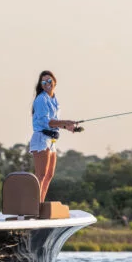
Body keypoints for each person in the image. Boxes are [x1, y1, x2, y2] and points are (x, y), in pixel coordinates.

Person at [29, 70, 80, 202]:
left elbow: (54, 122)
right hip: (41, 139)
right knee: (41, 175)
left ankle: (39, 204)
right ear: (41, 85)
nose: (47, 84)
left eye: (49, 81)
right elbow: (48, 122)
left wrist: (66, 127)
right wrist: (65, 122)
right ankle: (34, 206)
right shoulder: (41, 99)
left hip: (51, 140)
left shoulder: (54, 99)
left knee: (49, 175)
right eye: (44, 82)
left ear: (55, 82)